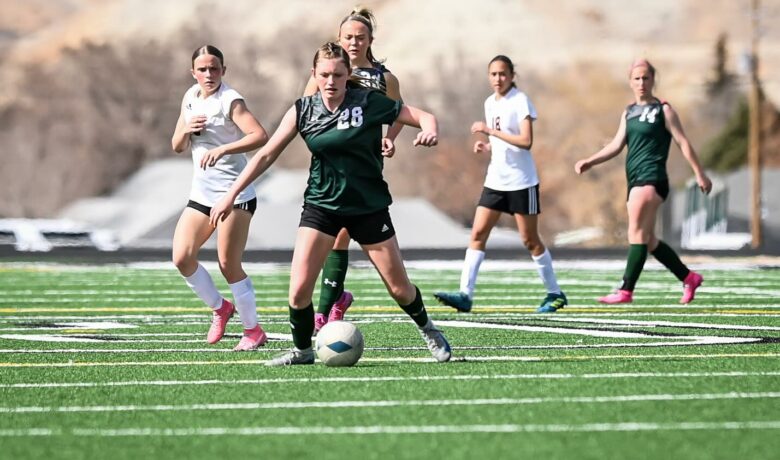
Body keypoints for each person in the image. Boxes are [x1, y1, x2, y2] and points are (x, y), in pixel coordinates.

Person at [210, 42, 452, 366]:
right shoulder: (303, 110)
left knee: (399, 288)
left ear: (348, 74)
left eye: (338, 74)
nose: (331, 81)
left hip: (368, 206)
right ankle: (302, 351)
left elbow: (422, 116)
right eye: (324, 74)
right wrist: (231, 195)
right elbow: (266, 154)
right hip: (321, 206)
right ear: (314, 74)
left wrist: (430, 130)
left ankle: (429, 330)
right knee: (297, 292)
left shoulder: (367, 102)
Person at [434, 55, 567, 314]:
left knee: (530, 240)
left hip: (522, 181)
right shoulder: (489, 103)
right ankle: (465, 295)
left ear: (512, 75)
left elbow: (526, 140)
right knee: (477, 233)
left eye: (503, 74)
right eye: (493, 74)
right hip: (496, 180)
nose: (498, 79)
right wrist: (487, 145)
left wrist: (491, 132)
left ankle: (555, 294)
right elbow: (502, 139)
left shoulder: (520, 101)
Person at [300, 7, 405, 334]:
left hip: (364, 171)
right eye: (348, 37)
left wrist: (389, 139)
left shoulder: (384, 78)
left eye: (360, 37)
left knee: (341, 238)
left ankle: (329, 304)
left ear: (370, 40)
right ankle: (328, 306)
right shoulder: (327, 72)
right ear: (339, 38)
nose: (354, 42)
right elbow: (305, 111)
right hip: (330, 169)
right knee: (336, 239)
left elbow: (399, 114)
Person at [574, 58, 712, 304]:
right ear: (630, 82)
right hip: (635, 179)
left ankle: (626, 291)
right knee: (647, 240)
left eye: (646, 78)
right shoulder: (629, 112)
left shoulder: (664, 110)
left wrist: (699, 173)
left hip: (652, 177)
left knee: (635, 233)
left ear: (653, 80)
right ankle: (688, 277)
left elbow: (683, 142)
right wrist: (590, 161)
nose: (641, 83)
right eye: (636, 78)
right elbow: (617, 145)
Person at [171, 45, 270, 350]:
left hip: (234, 194)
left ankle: (253, 330)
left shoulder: (230, 100)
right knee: (182, 257)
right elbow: (176, 145)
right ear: (193, 73)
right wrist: (187, 129)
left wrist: (223, 149)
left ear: (224, 71)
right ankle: (220, 308)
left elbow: (259, 136)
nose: (209, 74)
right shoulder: (190, 97)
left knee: (228, 263)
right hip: (201, 196)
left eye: (214, 68)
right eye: (202, 69)